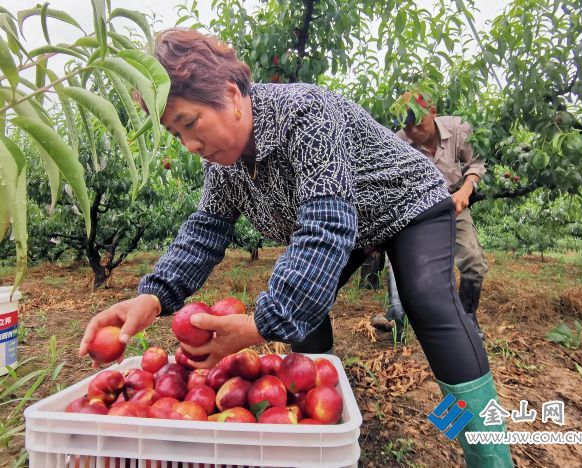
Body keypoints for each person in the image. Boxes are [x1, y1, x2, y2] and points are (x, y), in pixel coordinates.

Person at [78, 29, 511, 466]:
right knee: (300, 317)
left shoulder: (305, 113)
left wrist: (258, 325)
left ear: (230, 95)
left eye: (190, 123)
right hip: (353, 226)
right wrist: (152, 297)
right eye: (176, 135)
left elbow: (325, 227)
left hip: (409, 202)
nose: (190, 146)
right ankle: (312, 411)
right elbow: (205, 230)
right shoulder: (225, 167)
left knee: (427, 301)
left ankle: (488, 454)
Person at [372, 93, 488, 339]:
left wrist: (466, 191)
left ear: (433, 111)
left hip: (453, 202)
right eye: (406, 125)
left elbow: (476, 164)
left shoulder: (459, 128)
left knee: (473, 261)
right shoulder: (399, 143)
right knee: (399, 262)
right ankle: (397, 317)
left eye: (418, 124)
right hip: (418, 206)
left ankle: (468, 318)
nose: (412, 131)